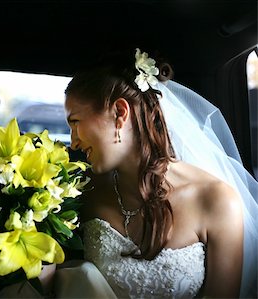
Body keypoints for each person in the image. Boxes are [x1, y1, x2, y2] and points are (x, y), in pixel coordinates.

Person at [60, 48, 258, 298]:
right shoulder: (86, 193)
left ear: (120, 113)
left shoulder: (216, 200)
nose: (73, 143)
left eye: (75, 123)